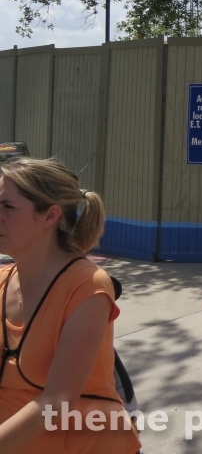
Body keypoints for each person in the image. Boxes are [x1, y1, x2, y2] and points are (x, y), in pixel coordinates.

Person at [0, 157, 141, 454]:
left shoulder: (87, 286)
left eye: (8, 207)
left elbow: (56, 402)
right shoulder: (3, 279)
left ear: (50, 216)